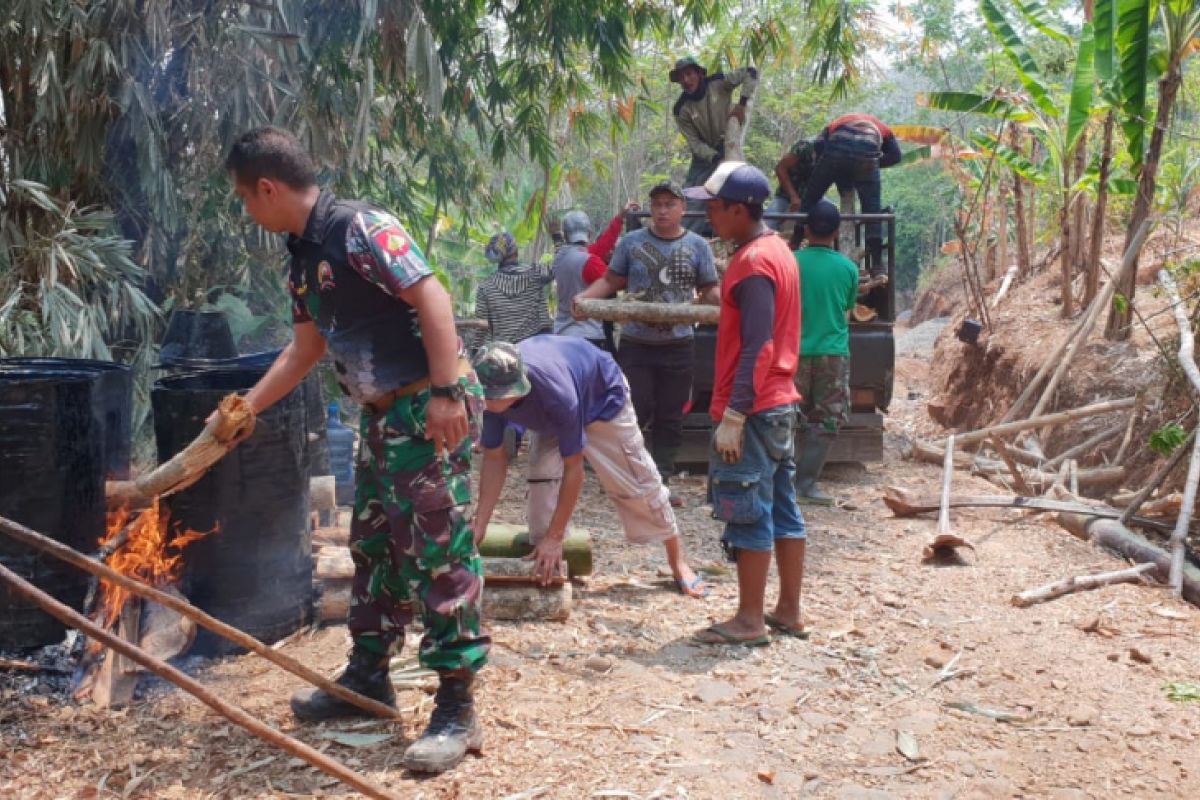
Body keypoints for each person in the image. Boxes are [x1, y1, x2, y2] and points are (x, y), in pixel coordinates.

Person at [223, 127, 488, 774]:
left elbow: (433, 295)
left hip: (426, 406)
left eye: (244, 199)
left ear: (268, 187)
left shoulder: (360, 228)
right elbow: (305, 350)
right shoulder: (301, 255)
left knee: (436, 548)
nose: (245, 212)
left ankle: (457, 706)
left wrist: (448, 391)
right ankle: (369, 679)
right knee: (372, 543)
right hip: (379, 417)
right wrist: (244, 409)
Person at [470, 337, 708, 598]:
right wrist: (480, 524)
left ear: (518, 386)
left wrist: (556, 536)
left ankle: (678, 560)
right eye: (487, 398)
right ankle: (547, 559)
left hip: (601, 398)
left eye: (497, 398)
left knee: (639, 482)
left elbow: (575, 469)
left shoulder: (557, 394)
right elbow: (494, 459)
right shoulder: (488, 396)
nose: (490, 404)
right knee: (541, 477)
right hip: (551, 409)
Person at [683, 161, 807, 645]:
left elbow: (757, 344)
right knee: (782, 503)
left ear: (739, 209)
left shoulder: (753, 263)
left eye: (713, 207)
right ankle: (788, 610)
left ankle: (750, 619)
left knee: (748, 507)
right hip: (777, 402)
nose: (708, 216)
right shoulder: (778, 251)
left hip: (754, 406)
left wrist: (735, 412)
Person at [574, 181, 719, 506]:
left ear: (682, 208)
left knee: (670, 414)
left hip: (679, 343)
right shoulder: (631, 243)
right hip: (637, 343)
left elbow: (709, 288)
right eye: (657, 205)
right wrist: (584, 299)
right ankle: (630, 480)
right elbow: (612, 280)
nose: (663, 210)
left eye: (669, 204)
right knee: (632, 410)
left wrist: (732, 305)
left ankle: (661, 481)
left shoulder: (697, 246)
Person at [793, 200, 858, 505]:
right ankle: (806, 484)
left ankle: (783, 484)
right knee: (827, 419)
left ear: (806, 230)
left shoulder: (790, 263)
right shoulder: (848, 268)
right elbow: (847, 309)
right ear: (836, 233)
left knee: (785, 417)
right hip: (833, 355)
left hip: (791, 353)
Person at [800, 113, 901, 276]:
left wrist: (828, 166)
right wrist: (869, 164)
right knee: (872, 211)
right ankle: (877, 264)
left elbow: (819, 145)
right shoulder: (882, 128)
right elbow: (896, 156)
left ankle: (795, 243)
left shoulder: (836, 123)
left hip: (836, 148)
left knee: (810, 198)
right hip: (868, 148)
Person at [669, 56, 758, 232]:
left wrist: (741, 104)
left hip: (728, 143)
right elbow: (694, 143)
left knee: (735, 192)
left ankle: (734, 233)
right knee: (692, 197)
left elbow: (750, 73)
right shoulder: (681, 108)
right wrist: (715, 158)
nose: (686, 80)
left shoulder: (719, 82)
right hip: (704, 155)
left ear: (699, 73)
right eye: (681, 77)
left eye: (689, 74)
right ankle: (685, 238)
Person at [551, 203, 636, 351]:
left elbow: (602, 246)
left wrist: (619, 218)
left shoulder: (560, 256)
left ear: (565, 235)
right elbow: (614, 282)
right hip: (587, 335)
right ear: (589, 233)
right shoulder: (590, 262)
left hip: (562, 332)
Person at [472, 231, 553, 345]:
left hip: (505, 353)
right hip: (538, 347)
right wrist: (557, 237)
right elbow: (560, 267)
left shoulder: (485, 288)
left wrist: (475, 354)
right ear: (516, 251)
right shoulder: (535, 274)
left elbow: (481, 331)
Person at [767, 138, 817, 232]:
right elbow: (780, 168)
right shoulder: (806, 146)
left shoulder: (837, 152)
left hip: (812, 197)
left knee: (830, 216)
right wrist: (793, 196)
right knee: (768, 224)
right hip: (786, 195)